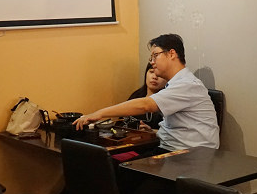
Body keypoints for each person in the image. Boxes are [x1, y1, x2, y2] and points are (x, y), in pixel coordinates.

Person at [74, 33, 219, 152]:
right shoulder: (176, 84)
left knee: (123, 172)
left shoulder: (187, 84)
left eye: (155, 55)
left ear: (172, 54)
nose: (152, 62)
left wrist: (98, 113)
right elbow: (182, 129)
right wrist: (155, 132)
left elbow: (145, 105)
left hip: (190, 156)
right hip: (173, 149)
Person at [125, 62, 166, 130]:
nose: (154, 77)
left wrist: (151, 131)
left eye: (159, 74)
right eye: (151, 72)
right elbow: (121, 121)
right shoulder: (136, 95)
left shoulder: (168, 101)